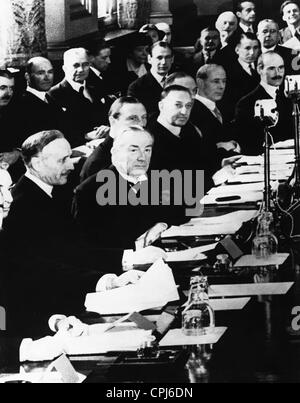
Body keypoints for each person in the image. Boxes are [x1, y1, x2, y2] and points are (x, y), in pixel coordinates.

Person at [1, 130, 165, 337]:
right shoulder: (20, 205)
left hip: (65, 306)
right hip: (52, 315)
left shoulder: (54, 191)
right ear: (37, 163)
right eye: (63, 160)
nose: (71, 165)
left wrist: (122, 263)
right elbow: (45, 266)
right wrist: (109, 278)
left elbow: (75, 247)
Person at [74, 126, 178, 249]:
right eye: (133, 150)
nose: (142, 157)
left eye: (147, 150)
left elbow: (175, 210)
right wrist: (136, 248)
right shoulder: (89, 191)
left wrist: (162, 224)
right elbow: (89, 246)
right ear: (115, 152)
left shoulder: (156, 179)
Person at [148, 85, 216, 192]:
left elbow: (202, 164)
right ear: (161, 106)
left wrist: (220, 164)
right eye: (178, 105)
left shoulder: (189, 130)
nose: (184, 112)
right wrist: (214, 179)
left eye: (188, 106)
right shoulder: (148, 138)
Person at [233, 51, 293, 155]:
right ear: (260, 69)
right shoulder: (246, 103)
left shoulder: (290, 98)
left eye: (281, 68)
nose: (278, 73)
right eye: (271, 68)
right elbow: (248, 144)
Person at [49, 48, 109, 147]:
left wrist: (106, 127)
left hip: (103, 143)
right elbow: (57, 133)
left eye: (85, 65)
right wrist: (86, 136)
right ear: (65, 68)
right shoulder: (54, 95)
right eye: (76, 65)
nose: (81, 70)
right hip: (78, 148)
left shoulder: (96, 87)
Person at [80, 96, 148, 182]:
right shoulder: (97, 164)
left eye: (144, 117)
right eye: (133, 118)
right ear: (113, 121)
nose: (142, 124)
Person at [191, 64, 239, 162]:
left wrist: (234, 145)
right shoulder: (191, 111)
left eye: (224, 81)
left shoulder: (225, 107)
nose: (222, 86)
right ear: (200, 83)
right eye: (216, 81)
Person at [128, 41, 174, 116]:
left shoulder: (180, 80)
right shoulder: (136, 88)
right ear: (149, 59)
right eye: (159, 57)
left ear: (172, 59)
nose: (163, 62)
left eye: (167, 57)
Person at [223, 32, 261, 119]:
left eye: (255, 48)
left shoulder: (262, 69)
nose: (252, 52)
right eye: (247, 48)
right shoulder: (228, 72)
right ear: (237, 50)